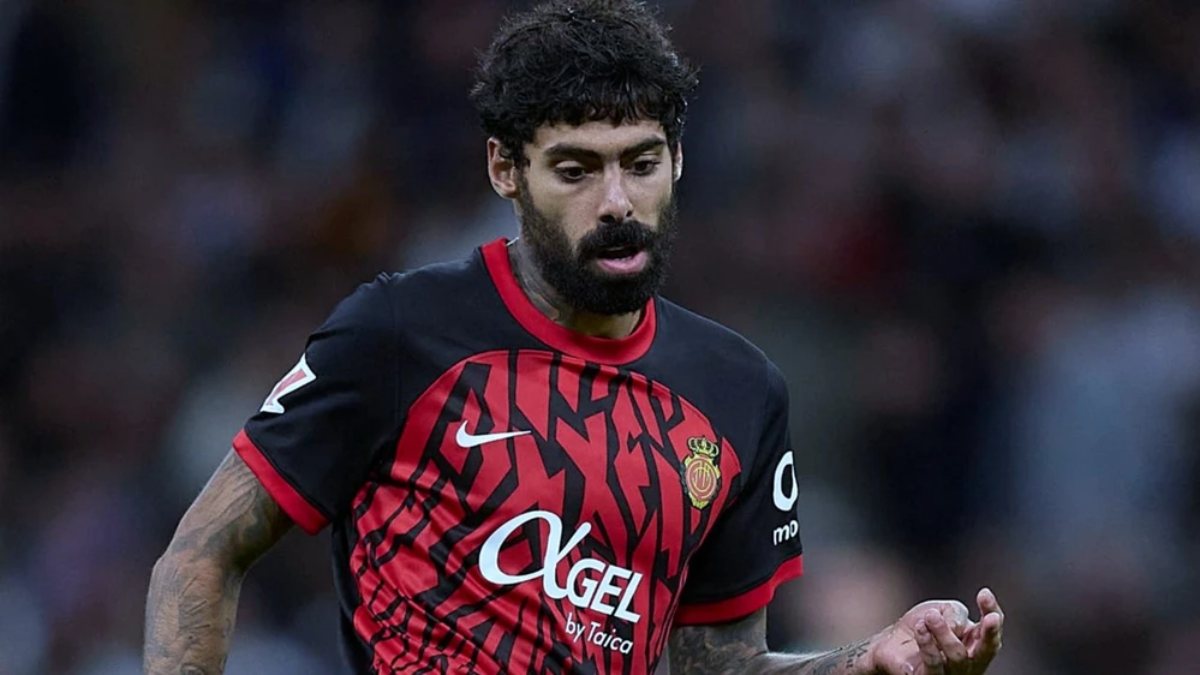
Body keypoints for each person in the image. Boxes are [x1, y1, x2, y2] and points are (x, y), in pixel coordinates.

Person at [143, 1, 1005, 673]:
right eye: (576, 169)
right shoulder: (397, 333)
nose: (617, 201)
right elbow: (201, 556)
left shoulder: (738, 392)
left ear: (678, 160)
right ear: (505, 169)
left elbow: (717, 668)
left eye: (641, 161)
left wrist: (866, 660)